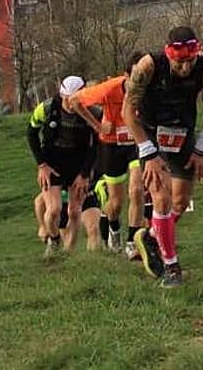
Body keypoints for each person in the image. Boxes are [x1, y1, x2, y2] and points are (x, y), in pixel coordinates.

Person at [123, 27, 203, 288]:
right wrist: (147, 150)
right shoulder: (148, 66)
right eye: (179, 62)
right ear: (169, 54)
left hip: (182, 133)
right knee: (161, 197)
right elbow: (128, 111)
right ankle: (171, 266)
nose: (185, 68)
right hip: (151, 133)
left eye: (190, 61)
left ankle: (152, 236)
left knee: (180, 201)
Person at [68, 52, 148, 255]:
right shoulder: (109, 88)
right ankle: (113, 226)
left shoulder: (150, 87)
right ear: (125, 75)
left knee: (137, 190)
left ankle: (132, 242)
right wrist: (97, 125)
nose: (138, 85)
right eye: (134, 80)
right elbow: (74, 101)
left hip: (137, 143)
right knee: (116, 204)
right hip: (112, 146)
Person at [27, 75, 98, 259]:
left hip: (78, 163)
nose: (72, 105)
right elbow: (31, 133)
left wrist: (84, 174)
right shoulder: (47, 108)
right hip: (53, 162)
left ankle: (68, 254)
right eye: (68, 100)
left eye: (76, 100)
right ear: (62, 95)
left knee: (74, 211)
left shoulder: (92, 112)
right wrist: (41, 164)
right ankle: (54, 238)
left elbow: (96, 144)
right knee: (54, 209)